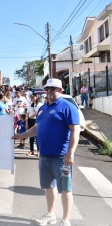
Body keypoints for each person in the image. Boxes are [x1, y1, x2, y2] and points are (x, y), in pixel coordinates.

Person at [13, 78, 80, 226]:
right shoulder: (42, 109)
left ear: (60, 90)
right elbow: (36, 128)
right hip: (44, 156)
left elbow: (75, 131)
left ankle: (66, 220)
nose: (49, 91)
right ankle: (51, 215)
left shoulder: (68, 107)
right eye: (47, 88)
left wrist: (71, 152)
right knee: (48, 187)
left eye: (53, 88)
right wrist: (20, 135)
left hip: (61, 157)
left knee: (65, 189)